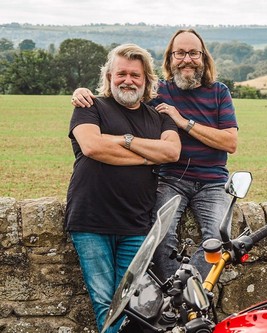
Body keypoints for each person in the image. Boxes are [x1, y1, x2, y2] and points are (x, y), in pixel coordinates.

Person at [72, 29, 239, 282]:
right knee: (159, 239)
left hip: (213, 182)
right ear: (170, 59)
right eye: (179, 53)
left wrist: (183, 122)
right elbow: (123, 94)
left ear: (204, 58)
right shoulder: (158, 92)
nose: (187, 59)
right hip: (169, 179)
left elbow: (230, 142)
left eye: (194, 53)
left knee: (218, 238)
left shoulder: (219, 92)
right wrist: (81, 92)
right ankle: (175, 294)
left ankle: (186, 289)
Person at [66, 43, 181, 332]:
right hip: (91, 221)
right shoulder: (90, 106)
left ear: (146, 81)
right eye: (121, 74)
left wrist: (123, 140)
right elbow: (92, 146)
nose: (127, 80)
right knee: (106, 303)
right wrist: (146, 156)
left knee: (131, 304)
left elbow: (171, 153)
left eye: (135, 75)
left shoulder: (160, 117)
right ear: (109, 77)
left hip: (136, 224)